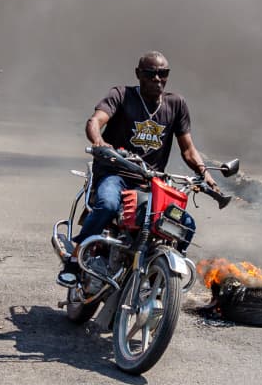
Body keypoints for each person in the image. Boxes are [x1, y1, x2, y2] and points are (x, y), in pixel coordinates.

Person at [60, 51, 221, 286]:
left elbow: (188, 149)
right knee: (108, 205)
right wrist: (99, 142)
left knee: (184, 224)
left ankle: (160, 274)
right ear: (138, 74)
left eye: (162, 73)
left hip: (151, 182)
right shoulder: (122, 95)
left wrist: (204, 173)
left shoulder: (176, 104)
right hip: (115, 173)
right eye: (150, 73)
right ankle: (75, 260)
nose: (157, 78)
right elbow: (95, 121)